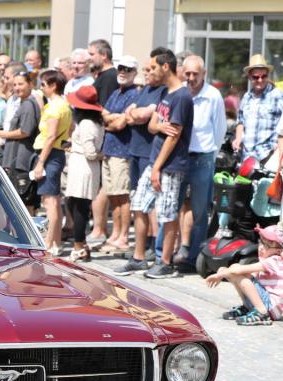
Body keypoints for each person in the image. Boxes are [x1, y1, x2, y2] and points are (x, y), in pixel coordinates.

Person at [120, 48, 193, 279]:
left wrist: (158, 168)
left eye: (153, 66)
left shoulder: (181, 96)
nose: (150, 71)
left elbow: (174, 135)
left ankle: (165, 262)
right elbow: (153, 125)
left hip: (170, 166)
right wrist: (160, 125)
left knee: (167, 213)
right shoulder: (165, 92)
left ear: (165, 66)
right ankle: (139, 257)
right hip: (155, 161)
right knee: (139, 205)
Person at [175, 54, 226, 271]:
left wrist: (210, 157)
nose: (191, 77)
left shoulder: (213, 95)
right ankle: (173, 251)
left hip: (203, 157)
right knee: (173, 207)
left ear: (204, 74)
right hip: (179, 157)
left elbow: (220, 129)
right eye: (187, 73)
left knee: (199, 210)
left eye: (196, 73)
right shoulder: (179, 92)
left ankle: (193, 256)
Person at [94, 56, 139, 253]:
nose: (122, 72)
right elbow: (102, 114)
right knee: (113, 195)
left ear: (134, 73)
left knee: (122, 196)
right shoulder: (115, 93)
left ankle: (122, 236)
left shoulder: (134, 94)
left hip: (123, 151)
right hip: (109, 149)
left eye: (127, 69)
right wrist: (113, 118)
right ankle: (115, 233)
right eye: (120, 67)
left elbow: (121, 124)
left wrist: (111, 119)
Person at [206, 224, 283, 326]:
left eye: (267, 245)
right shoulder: (270, 260)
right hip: (269, 304)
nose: (261, 247)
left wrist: (220, 275)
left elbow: (240, 271)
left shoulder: (274, 260)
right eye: (261, 242)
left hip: (271, 306)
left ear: (279, 251)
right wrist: (223, 271)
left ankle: (261, 313)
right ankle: (248, 307)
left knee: (237, 273)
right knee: (234, 269)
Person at [31, 69, 72, 255]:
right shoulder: (63, 105)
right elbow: (68, 130)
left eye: (43, 85)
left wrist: (40, 162)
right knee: (54, 199)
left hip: (50, 153)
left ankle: (49, 243)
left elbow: (50, 136)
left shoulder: (55, 107)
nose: (41, 88)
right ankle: (56, 241)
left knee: (49, 201)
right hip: (57, 152)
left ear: (53, 85)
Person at [65, 85, 106, 262]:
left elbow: (90, 152)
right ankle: (81, 245)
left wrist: (99, 154)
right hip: (81, 165)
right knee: (75, 204)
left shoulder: (87, 123)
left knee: (79, 207)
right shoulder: (94, 122)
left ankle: (79, 245)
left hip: (84, 166)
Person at [232, 54, 283, 163]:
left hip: (268, 155)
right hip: (246, 156)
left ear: (268, 75)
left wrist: (279, 147)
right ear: (249, 77)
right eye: (256, 77)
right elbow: (240, 121)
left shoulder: (278, 95)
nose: (260, 80)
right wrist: (238, 139)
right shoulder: (246, 97)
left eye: (264, 76)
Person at [0, 71, 40, 214]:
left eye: (21, 84)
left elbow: (25, 131)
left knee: (25, 198)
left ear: (30, 84)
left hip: (22, 160)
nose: (17, 87)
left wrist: (4, 134)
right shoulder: (21, 103)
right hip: (15, 158)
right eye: (15, 84)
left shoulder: (29, 104)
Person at [89, 39, 117, 105]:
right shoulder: (103, 75)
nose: (89, 58)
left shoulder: (109, 77)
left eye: (92, 54)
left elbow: (104, 106)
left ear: (104, 55)